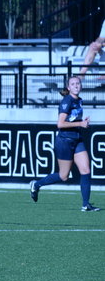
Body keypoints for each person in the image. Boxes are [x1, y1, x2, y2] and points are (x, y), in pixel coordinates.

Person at [30, 75, 99, 212]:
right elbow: (60, 124)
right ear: (68, 87)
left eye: (78, 83)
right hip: (64, 141)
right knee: (63, 176)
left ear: (81, 86)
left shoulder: (79, 100)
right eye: (73, 84)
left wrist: (82, 123)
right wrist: (80, 123)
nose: (76, 86)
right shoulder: (67, 101)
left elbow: (73, 120)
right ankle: (36, 185)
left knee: (86, 170)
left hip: (77, 139)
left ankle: (86, 205)